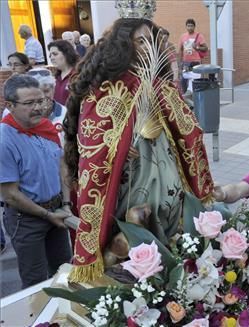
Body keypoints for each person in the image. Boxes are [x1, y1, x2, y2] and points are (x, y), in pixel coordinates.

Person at [64, 14, 214, 282]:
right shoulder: (106, 87)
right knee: (134, 217)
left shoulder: (160, 83)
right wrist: (117, 148)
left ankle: (160, 263)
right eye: (139, 41)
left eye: (150, 40)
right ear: (124, 45)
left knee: (168, 209)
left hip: (161, 158)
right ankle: (123, 260)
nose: (147, 46)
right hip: (129, 172)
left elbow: (185, 124)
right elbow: (93, 135)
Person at [0, 74, 72, 288]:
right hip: (27, 220)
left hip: (57, 210)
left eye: (41, 101)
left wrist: (66, 205)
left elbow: (61, 166)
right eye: (29, 103)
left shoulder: (46, 127)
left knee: (63, 273)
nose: (38, 107)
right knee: (36, 283)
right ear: (10, 106)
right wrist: (47, 215)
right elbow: (11, 195)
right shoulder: (4, 140)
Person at [27, 68, 67, 140]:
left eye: (46, 91)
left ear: (53, 89)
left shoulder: (65, 112)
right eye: (36, 92)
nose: (42, 96)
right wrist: (42, 119)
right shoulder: (22, 113)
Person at [179, 18, 208, 92]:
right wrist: (180, 62)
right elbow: (181, 50)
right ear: (186, 27)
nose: (190, 27)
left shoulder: (199, 36)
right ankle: (185, 96)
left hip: (196, 62)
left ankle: (194, 96)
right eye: (188, 26)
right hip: (186, 62)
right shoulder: (183, 36)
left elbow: (205, 48)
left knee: (195, 80)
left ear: (194, 27)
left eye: (191, 26)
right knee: (183, 80)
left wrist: (197, 47)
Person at [48, 40, 78, 105]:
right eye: (50, 55)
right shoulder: (54, 78)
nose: (51, 58)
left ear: (66, 54)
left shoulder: (78, 75)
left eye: (55, 54)